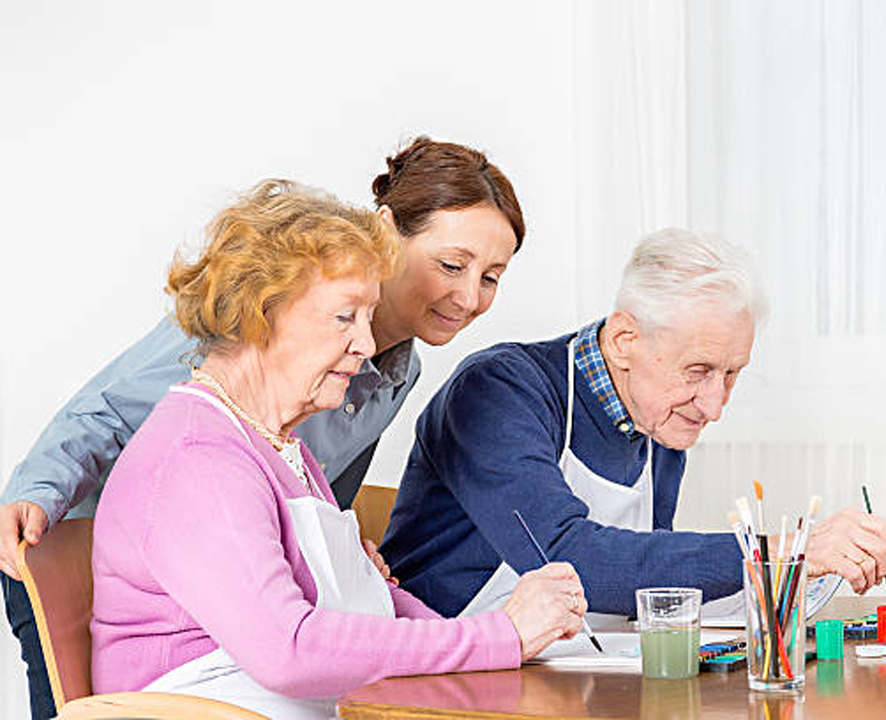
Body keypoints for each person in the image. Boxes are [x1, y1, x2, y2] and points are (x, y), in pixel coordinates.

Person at [0, 137, 525, 719]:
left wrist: (355, 572)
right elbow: (108, 413)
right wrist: (36, 492)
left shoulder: (326, 409)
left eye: (491, 277)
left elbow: (316, 519)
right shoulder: (218, 389)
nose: (469, 296)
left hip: (238, 604)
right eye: (451, 265)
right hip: (100, 560)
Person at [90, 179, 585, 719]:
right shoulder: (198, 456)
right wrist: (498, 637)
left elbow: (374, 603)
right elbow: (289, 650)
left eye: (368, 317)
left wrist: (496, 646)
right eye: (345, 317)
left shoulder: (279, 445)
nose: (366, 345)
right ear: (261, 313)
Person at [380, 228, 886, 620]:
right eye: (698, 371)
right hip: (447, 679)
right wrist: (779, 553)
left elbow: (644, 581)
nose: (714, 405)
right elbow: (566, 560)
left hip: (570, 672)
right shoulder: (501, 389)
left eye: (731, 374)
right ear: (626, 340)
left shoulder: (661, 418)